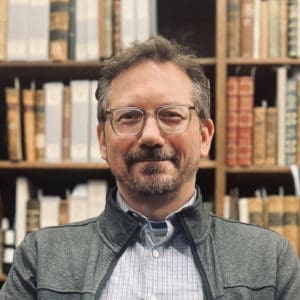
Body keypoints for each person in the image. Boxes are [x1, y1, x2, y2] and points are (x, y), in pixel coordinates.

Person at [1, 36, 300, 300]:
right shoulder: (42, 259)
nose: (151, 137)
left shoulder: (269, 262)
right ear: (103, 140)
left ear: (205, 137)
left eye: (171, 115)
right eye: (129, 116)